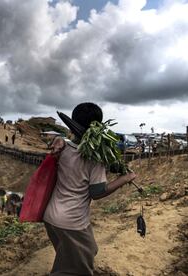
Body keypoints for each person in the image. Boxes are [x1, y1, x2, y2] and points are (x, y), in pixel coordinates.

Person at [43, 103, 136, 275]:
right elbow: (97, 192)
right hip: (72, 221)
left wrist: (60, 139)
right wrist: (125, 178)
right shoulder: (94, 158)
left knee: (83, 252)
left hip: (51, 217)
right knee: (77, 270)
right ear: (98, 125)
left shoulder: (63, 147)